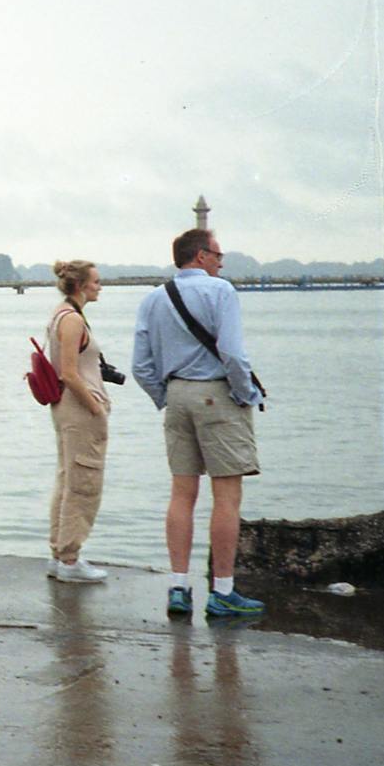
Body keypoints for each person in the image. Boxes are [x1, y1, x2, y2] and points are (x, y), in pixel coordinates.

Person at [132, 228, 266, 619]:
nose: (222, 262)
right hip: (216, 394)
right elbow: (233, 354)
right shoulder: (220, 291)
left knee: (181, 494)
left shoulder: (154, 298)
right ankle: (222, 591)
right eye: (219, 255)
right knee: (226, 497)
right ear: (201, 256)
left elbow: (141, 366)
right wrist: (244, 394)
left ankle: (178, 586)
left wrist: (166, 396)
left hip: (176, 396)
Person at [45, 259, 110, 584]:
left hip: (65, 409)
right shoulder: (72, 320)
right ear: (80, 285)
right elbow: (69, 373)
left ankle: (60, 554)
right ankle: (70, 558)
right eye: (96, 281)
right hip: (79, 411)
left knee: (68, 477)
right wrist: (95, 408)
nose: (100, 286)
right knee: (83, 483)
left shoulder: (61, 314)